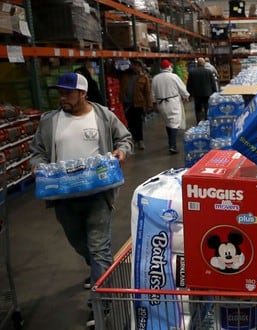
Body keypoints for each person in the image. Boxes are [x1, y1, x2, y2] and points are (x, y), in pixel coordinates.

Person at [29, 72, 133, 327]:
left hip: (98, 193)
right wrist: (37, 166)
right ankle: (99, 270)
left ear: (83, 93)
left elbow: (124, 138)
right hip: (64, 195)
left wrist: (121, 151)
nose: (62, 97)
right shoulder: (49, 121)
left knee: (99, 249)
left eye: (68, 92)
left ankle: (99, 305)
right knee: (80, 244)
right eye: (60, 92)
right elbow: (38, 152)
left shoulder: (102, 115)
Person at [151, 59, 190, 154]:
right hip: (172, 102)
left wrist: (154, 103)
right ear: (169, 67)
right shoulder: (173, 76)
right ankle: (172, 145)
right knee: (174, 122)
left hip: (161, 103)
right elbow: (182, 88)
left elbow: (152, 93)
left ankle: (171, 142)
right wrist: (186, 96)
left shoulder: (155, 78)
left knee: (168, 122)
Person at [122, 59, 152, 150]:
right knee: (130, 123)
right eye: (134, 65)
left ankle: (140, 140)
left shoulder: (144, 78)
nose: (136, 67)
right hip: (127, 103)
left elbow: (147, 92)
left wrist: (149, 105)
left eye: (138, 65)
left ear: (141, 67)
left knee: (138, 123)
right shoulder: (125, 76)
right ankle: (134, 140)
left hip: (138, 104)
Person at [187, 57, 217, 123]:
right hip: (207, 93)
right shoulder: (208, 72)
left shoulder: (192, 72)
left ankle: (199, 122)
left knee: (198, 109)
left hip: (197, 94)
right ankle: (206, 121)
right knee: (207, 107)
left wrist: (189, 95)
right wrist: (215, 92)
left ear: (197, 64)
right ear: (204, 64)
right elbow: (213, 83)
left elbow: (189, 84)